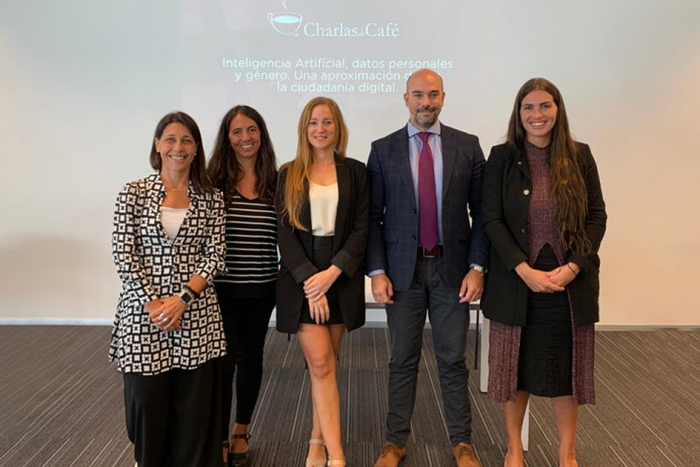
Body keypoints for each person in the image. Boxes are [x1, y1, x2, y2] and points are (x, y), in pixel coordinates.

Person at [481, 78, 607, 467]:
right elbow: (490, 219)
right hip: (517, 282)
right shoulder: (502, 157)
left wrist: (573, 267)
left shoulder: (580, 155)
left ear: (558, 109)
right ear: (518, 114)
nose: (537, 115)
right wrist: (523, 268)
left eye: (545, 106)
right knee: (514, 371)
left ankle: (566, 452)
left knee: (565, 372)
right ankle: (514, 449)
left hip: (568, 284)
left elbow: (597, 217)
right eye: (528, 108)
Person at [367, 69, 489, 467]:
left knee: (453, 358)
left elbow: (482, 213)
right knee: (402, 358)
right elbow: (373, 218)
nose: (426, 102)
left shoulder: (467, 146)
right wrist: (377, 270)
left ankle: (462, 442)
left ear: (443, 97)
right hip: (402, 273)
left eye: (433, 94)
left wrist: (477, 266)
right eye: (418, 95)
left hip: (452, 271)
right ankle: (394, 441)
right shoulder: (382, 149)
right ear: (405, 99)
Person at [110, 111, 227, 467]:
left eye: (187, 140)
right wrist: (155, 306)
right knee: (146, 405)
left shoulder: (210, 197)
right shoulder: (133, 192)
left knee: (193, 411)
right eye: (171, 139)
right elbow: (123, 252)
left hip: (196, 315)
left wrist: (182, 300)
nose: (179, 146)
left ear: (196, 149)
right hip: (143, 315)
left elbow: (216, 254)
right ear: (158, 145)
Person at [276, 96, 369, 467]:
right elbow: (284, 233)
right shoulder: (288, 173)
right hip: (301, 279)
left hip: (340, 277)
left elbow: (362, 228)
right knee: (320, 364)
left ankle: (316, 439)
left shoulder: (356, 172)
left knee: (327, 364)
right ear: (304, 128)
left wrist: (331, 274)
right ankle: (337, 455)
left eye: (327, 122)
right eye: (314, 122)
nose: (320, 128)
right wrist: (311, 282)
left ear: (338, 127)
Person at [207, 105, 278, 467]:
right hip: (221, 289)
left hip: (263, 287)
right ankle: (217, 433)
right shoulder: (211, 181)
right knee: (222, 362)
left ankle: (240, 430)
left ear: (261, 134)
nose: (245, 138)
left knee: (251, 358)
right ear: (227, 137)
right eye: (237, 132)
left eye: (251, 130)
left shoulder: (276, 181)